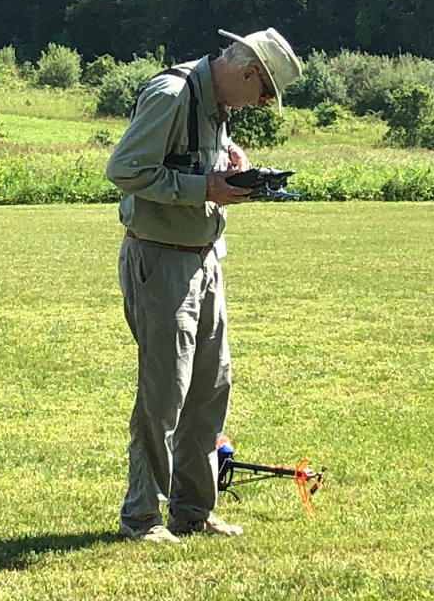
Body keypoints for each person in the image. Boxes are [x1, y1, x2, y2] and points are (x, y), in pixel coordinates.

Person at [105, 28, 303, 543]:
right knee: (164, 392)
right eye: (264, 93)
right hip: (160, 260)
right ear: (246, 72)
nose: (262, 104)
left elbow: (186, 155)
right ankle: (142, 517)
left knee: (210, 387)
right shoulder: (171, 95)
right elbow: (125, 169)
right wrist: (205, 188)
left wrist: (229, 161)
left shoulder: (215, 106)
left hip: (204, 257)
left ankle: (193, 511)